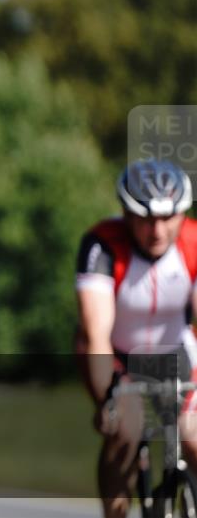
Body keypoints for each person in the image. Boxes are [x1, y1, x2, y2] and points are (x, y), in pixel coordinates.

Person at [75, 159, 197, 518]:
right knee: (126, 428)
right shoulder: (103, 245)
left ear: (183, 213)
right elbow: (96, 332)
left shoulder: (193, 241)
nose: (157, 230)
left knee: (193, 434)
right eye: (145, 219)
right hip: (116, 356)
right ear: (126, 214)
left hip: (175, 351)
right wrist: (106, 401)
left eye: (168, 217)